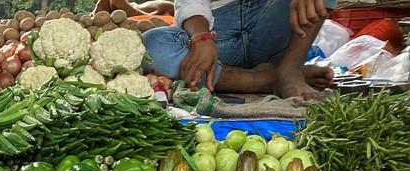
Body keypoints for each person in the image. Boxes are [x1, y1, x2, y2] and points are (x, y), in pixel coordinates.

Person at [142, 0, 336, 99]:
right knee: (152, 45)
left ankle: (289, 68)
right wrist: (202, 37)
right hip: (218, 31)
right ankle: (271, 80)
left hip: (271, 21)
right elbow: (191, 3)